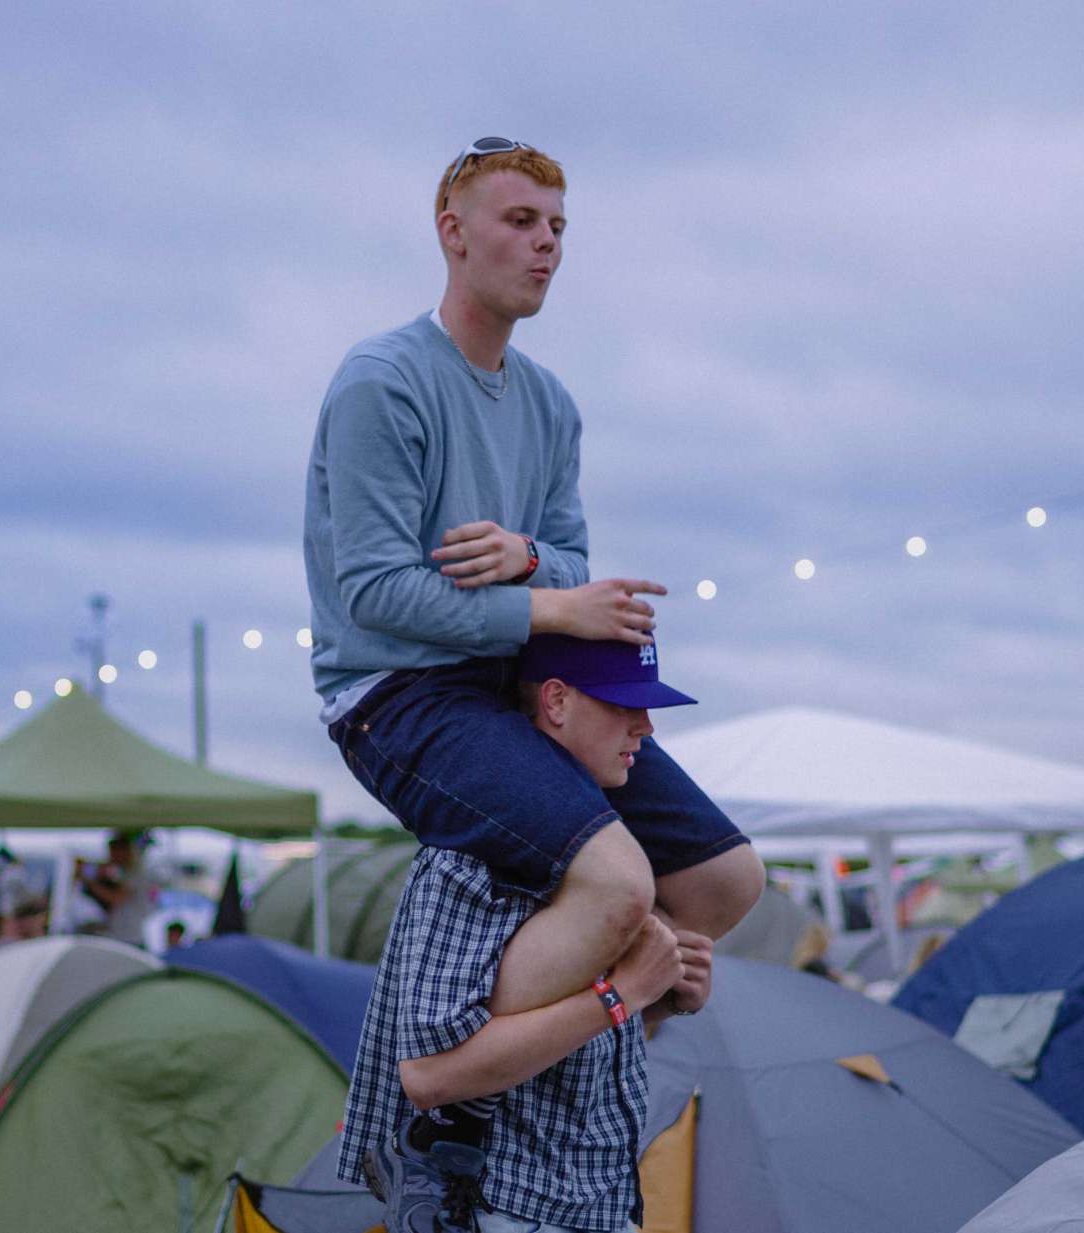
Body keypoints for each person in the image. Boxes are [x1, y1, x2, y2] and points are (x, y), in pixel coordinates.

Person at [305, 139, 764, 1220]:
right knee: (614, 883)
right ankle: (446, 1085)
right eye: (518, 221)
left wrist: (530, 569)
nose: (544, 245)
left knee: (723, 882)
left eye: (557, 227)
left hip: (511, 683)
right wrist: (550, 602)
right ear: (451, 232)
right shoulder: (383, 381)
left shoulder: (550, 405)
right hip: (394, 696)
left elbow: (567, 555)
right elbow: (373, 592)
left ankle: (550, 1047)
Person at [340, 634, 719, 1233]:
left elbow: (562, 1053)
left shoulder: (612, 857)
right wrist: (624, 996)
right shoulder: (469, 859)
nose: (645, 727)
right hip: (500, 1205)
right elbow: (432, 1075)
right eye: (623, 705)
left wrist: (663, 999)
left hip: (598, 1201)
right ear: (557, 700)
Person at [80, 832, 157, 945]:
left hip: (130, 937)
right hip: (123, 935)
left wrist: (90, 883)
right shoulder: (126, 873)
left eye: (113, 852)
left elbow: (115, 898)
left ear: (123, 852)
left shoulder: (135, 874)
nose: (110, 856)